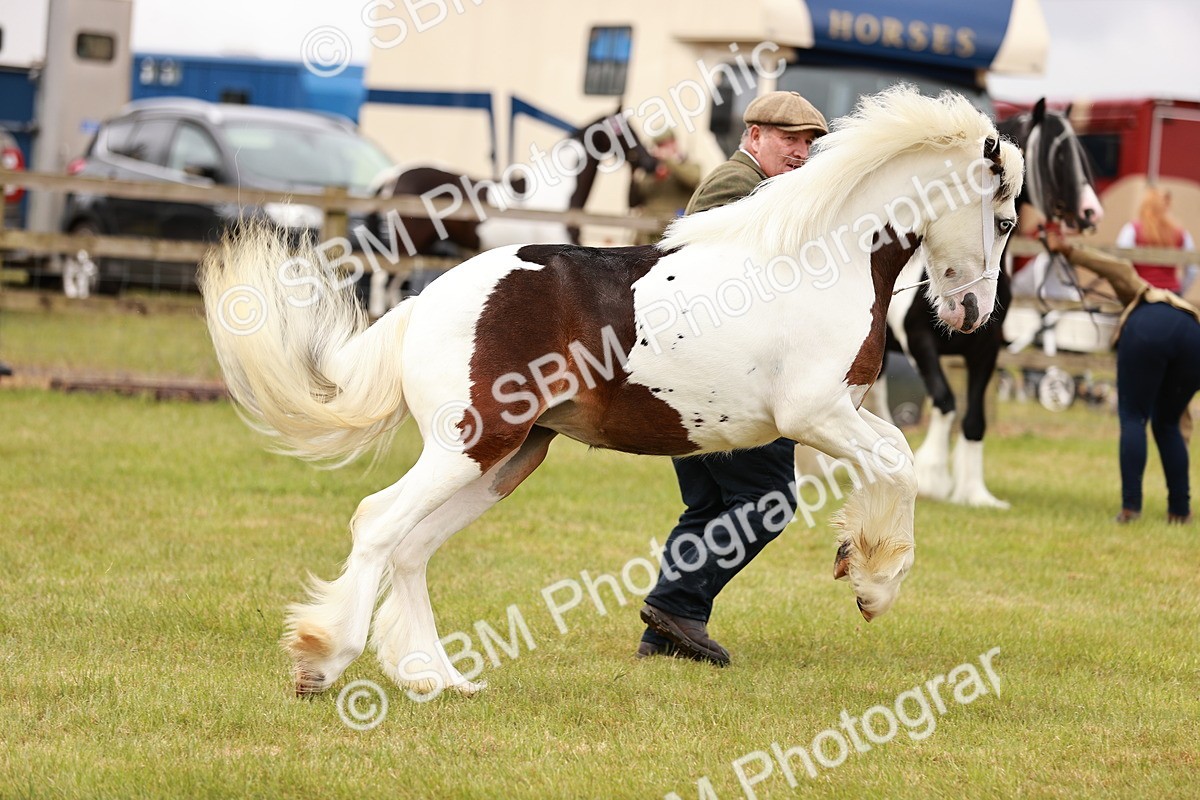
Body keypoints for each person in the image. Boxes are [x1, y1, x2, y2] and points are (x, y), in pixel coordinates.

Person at [637, 91, 829, 665]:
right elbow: (713, 274)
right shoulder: (736, 184)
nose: (800, 152)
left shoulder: (761, 185)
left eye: (808, 143)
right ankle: (675, 607)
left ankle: (663, 633)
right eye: (789, 139)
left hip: (699, 377)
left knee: (708, 507)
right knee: (769, 499)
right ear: (754, 137)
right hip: (723, 378)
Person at [1043, 226, 1200, 524]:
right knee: (1168, 422)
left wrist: (1068, 251)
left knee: (1133, 417)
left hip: (1145, 331)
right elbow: (1183, 423)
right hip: (1194, 336)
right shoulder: (1179, 307)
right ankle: (1180, 511)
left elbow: (1115, 267)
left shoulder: (1142, 292)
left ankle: (1131, 509)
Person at [1115, 186, 1196, 293]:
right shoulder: (1180, 233)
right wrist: (1181, 291)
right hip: (1170, 293)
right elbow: (1192, 270)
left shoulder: (1132, 229)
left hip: (1141, 291)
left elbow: (1120, 262)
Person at [629, 131, 701, 245]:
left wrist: (668, 161)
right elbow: (634, 202)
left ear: (674, 144)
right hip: (647, 234)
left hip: (672, 233)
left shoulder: (688, 165)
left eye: (665, 145)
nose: (662, 150)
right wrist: (634, 171)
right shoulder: (650, 172)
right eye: (659, 146)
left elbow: (693, 179)